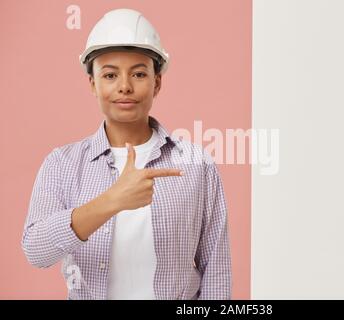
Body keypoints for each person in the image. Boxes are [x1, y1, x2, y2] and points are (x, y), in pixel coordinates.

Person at [21, 8, 232, 300]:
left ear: (157, 82)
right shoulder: (62, 164)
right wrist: (113, 200)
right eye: (110, 75)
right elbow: (36, 249)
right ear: (93, 84)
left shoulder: (197, 165)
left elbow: (216, 268)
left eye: (139, 73)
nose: (124, 86)